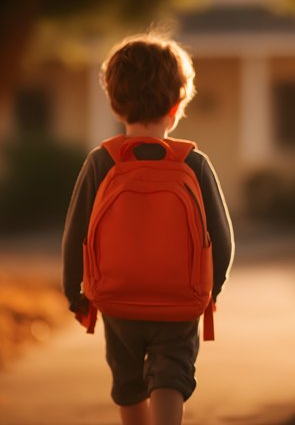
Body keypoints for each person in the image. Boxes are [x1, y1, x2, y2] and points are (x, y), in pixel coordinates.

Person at [61, 33, 234, 425]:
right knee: (171, 375)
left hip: (117, 300)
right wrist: (212, 290)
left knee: (127, 382)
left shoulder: (101, 162)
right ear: (177, 106)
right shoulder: (194, 163)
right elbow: (223, 240)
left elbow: (76, 234)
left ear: (115, 104)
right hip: (180, 300)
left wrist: (75, 293)